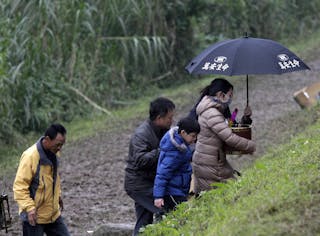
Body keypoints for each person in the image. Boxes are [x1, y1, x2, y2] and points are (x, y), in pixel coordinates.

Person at [190, 78, 256, 194]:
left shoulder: (219, 108)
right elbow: (229, 136)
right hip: (208, 163)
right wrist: (250, 146)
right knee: (227, 194)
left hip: (213, 160)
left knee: (228, 192)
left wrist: (246, 118)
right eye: (230, 95)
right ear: (221, 94)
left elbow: (231, 126)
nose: (231, 99)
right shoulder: (211, 113)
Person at [124, 97, 175, 235]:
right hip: (139, 184)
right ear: (159, 118)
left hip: (149, 181)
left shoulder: (163, 130)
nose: (172, 121)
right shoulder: (141, 135)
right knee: (165, 209)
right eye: (169, 118)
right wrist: (162, 150)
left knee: (143, 223)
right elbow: (140, 160)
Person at [13, 123, 70, 236]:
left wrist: (57, 196)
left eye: (62, 145)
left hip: (53, 215)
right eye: (58, 144)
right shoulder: (30, 157)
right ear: (47, 139)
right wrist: (29, 208)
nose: (59, 148)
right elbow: (19, 187)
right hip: (33, 217)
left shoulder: (54, 153)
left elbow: (53, 179)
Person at [153, 117, 200, 213]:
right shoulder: (174, 152)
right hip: (172, 192)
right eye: (193, 136)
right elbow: (162, 174)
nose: (195, 139)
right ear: (183, 133)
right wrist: (158, 196)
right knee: (181, 215)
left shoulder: (181, 146)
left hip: (178, 189)